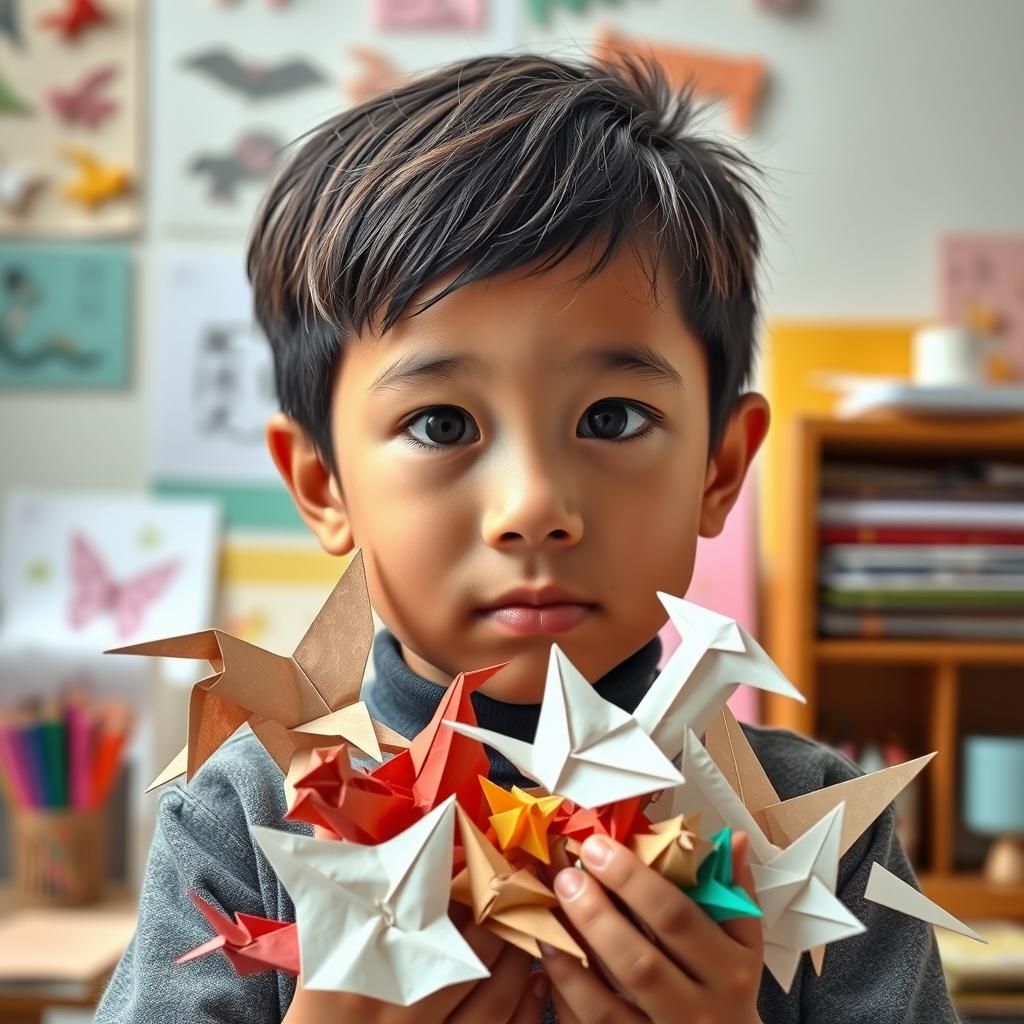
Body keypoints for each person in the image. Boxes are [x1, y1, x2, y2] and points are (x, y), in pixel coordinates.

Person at [96, 54, 959, 1024]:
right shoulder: (241, 825)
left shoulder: (814, 831)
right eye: (440, 425)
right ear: (321, 481)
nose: (535, 505)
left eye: (613, 419)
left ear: (719, 467)